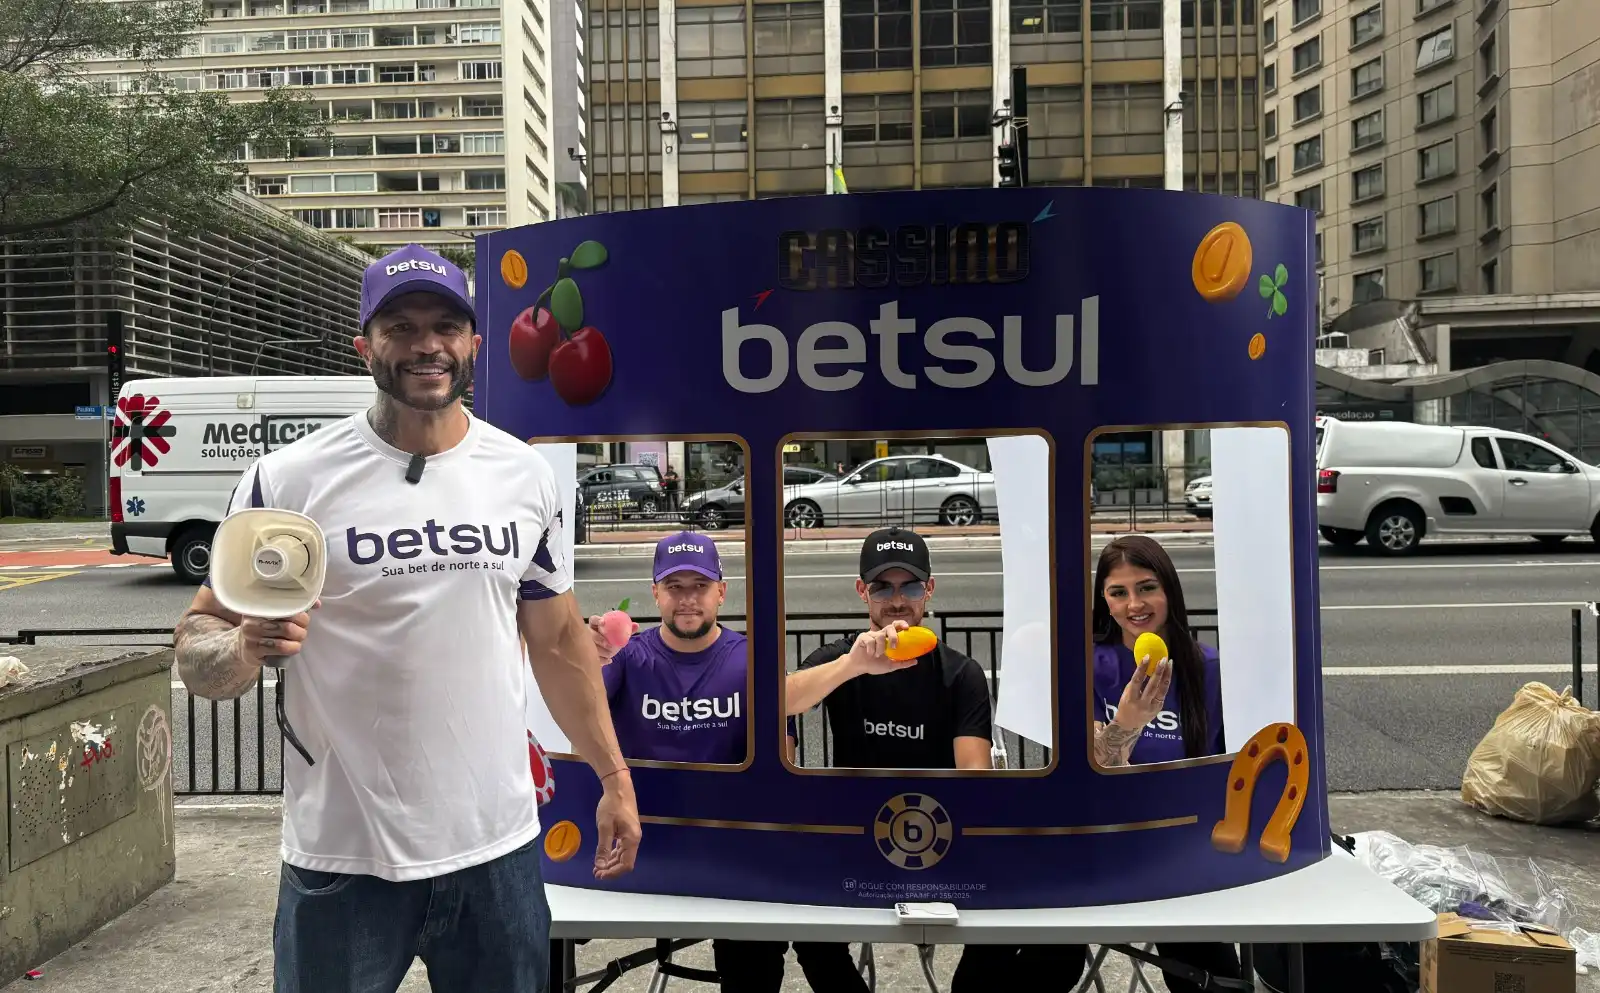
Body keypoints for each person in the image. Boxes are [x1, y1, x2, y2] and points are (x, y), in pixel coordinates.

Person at [170, 243, 641, 993]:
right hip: (343, 860)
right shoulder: (287, 480)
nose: (427, 344)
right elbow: (196, 646)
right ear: (365, 345)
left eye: (446, 325)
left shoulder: (521, 475)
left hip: (497, 852)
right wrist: (245, 644)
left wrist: (614, 775)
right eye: (400, 325)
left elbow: (555, 641)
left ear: (474, 344)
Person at [781, 527, 1078, 990]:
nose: (897, 601)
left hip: (944, 840)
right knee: (804, 926)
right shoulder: (844, 657)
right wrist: (854, 666)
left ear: (929, 591)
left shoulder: (960, 673)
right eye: (882, 587)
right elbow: (779, 700)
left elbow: (974, 778)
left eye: (911, 587)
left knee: (1027, 920)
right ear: (862, 592)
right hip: (855, 840)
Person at [1083, 533, 1241, 992]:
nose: (1135, 603)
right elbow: (1093, 765)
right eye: (1118, 592)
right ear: (1104, 601)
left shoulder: (1208, 668)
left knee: (1212, 974)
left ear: (1169, 590)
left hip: (1181, 845)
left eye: (1147, 587)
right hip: (1104, 842)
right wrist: (1127, 723)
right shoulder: (1090, 665)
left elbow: (1225, 775)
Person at [587, 531, 747, 766]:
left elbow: (782, 744)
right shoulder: (624, 656)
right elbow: (578, 716)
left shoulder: (750, 658)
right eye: (674, 587)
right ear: (656, 594)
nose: (687, 599)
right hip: (641, 802)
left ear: (721, 592)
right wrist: (583, 655)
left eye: (701, 585)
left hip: (728, 801)